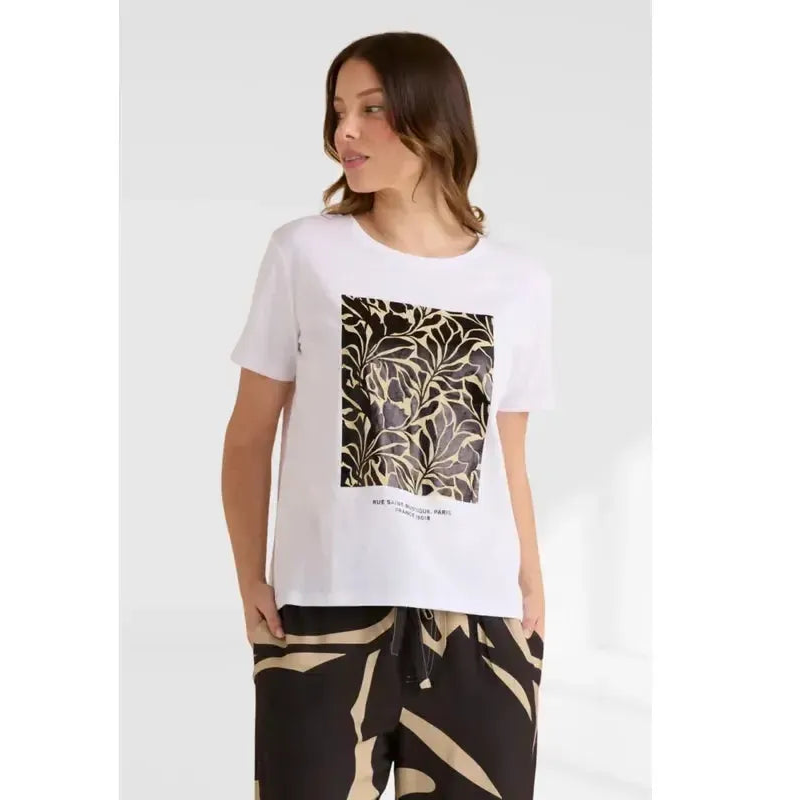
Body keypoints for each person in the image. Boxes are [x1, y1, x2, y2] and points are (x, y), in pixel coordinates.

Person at [221, 31, 555, 800]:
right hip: (323, 614)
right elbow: (248, 437)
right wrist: (251, 580)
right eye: (338, 109)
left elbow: (509, 455)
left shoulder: (519, 283)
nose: (345, 130)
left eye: (371, 109)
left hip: (480, 623)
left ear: (432, 117)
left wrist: (532, 587)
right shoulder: (305, 253)